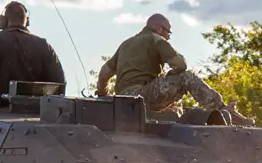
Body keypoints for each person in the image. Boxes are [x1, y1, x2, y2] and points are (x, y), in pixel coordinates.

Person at [95, 13, 230, 116]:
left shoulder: (125, 44)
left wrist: (103, 95)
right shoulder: (156, 39)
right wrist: (173, 72)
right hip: (142, 97)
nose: (168, 36)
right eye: (168, 32)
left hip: (122, 102)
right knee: (186, 77)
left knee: (175, 105)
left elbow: (103, 75)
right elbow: (181, 64)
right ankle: (223, 110)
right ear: (159, 29)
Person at [0, 1, 67, 98]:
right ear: (26, 21)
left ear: (4, 20)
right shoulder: (44, 46)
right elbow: (59, 83)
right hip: (36, 111)